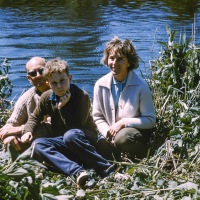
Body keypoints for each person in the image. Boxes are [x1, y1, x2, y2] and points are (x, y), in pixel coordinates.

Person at [21, 58, 114, 187]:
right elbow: (34, 117)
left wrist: (63, 108)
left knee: (70, 135)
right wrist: (27, 131)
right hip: (64, 139)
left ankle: (107, 170)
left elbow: (76, 127)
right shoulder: (47, 97)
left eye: (62, 81)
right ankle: (78, 172)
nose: (59, 86)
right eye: (54, 83)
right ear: (48, 83)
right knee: (37, 144)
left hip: (84, 138)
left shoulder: (82, 96)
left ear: (69, 78)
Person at [92, 36, 156, 162]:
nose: (114, 63)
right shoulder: (100, 84)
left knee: (122, 138)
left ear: (129, 62)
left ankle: (146, 155)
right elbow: (97, 117)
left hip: (134, 135)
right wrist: (107, 133)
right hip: (112, 135)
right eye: (111, 58)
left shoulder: (141, 85)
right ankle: (117, 162)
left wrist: (123, 123)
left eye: (120, 59)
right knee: (98, 145)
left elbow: (150, 120)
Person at [0, 56, 52, 161]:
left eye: (41, 71)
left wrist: (22, 129)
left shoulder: (59, 91)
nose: (38, 76)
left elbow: (53, 126)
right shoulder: (27, 98)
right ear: (29, 78)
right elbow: (9, 126)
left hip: (57, 139)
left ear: (48, 71)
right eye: (33, 73)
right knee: (12, 141)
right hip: (34, 141)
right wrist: (8, 137)